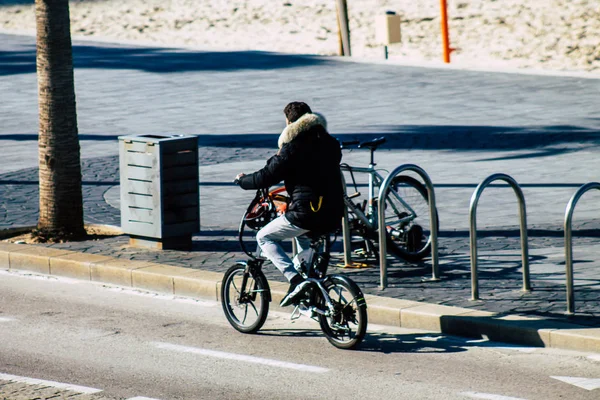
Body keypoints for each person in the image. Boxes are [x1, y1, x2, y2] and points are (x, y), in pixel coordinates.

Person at [234, 101, 344, 307]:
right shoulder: (330, 142)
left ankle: (295, 281)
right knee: (304, 242)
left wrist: (242, 181)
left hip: (307, 213)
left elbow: (266, 176)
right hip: (334, 211)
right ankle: (311, 293)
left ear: (288, 121)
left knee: (264, 237)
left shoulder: (292, 147)